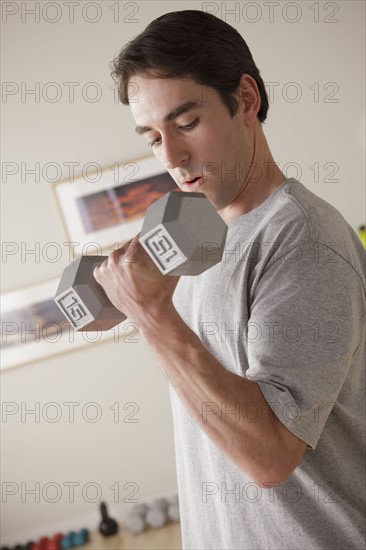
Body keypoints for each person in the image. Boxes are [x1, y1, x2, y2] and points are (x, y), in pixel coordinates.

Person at [94, 10, 366, 550]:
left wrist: (152, 316)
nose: (170, 157)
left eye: (186, 123)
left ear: (246, 99)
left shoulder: (303, 239)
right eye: (152, 137)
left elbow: (269, 457)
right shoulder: (202, 243)